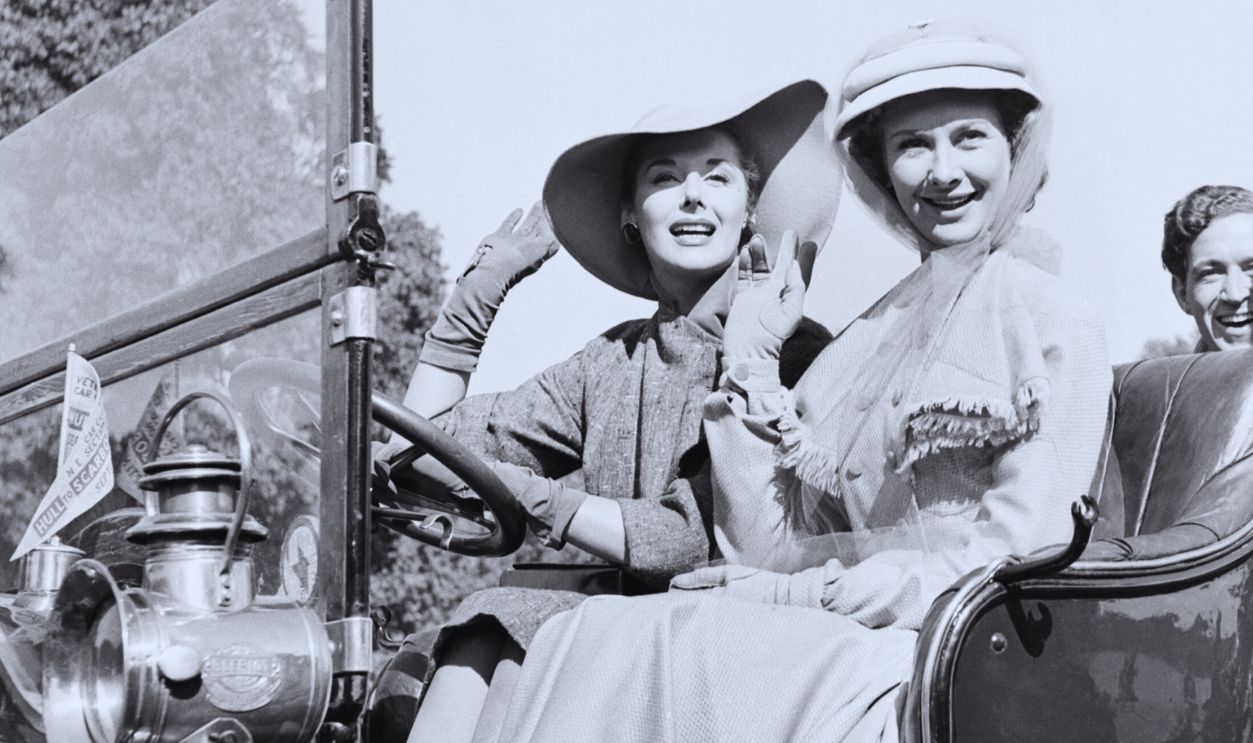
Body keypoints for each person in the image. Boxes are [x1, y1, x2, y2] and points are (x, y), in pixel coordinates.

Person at [477, 19, 1111, 742]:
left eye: (968, 137)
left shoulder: (1051, 316)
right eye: (911, 145)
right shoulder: (872, 333)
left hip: (959, 651)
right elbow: (765, 550)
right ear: (881, 168)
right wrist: (749, 358)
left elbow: (1019, 556)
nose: (941, 171)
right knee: (595, 630)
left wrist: (803, 590)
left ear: (1014, 148)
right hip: (849, 633)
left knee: (658, 641)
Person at [374, 80, 843, 743]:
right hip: (630, 635)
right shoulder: (611, 360)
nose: (690, 195)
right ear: (630, 214)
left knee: (518, 626)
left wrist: (539, 500)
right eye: (663, 177)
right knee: (474, 633)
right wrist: (471, 304)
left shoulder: (792, 354)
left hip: (749, 647)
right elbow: (419, 452)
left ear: (749, 210)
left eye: (716, 178)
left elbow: (686, 539)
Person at [1161, 184, 1253, 352]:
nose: (1235, 295)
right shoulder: (1168, 379)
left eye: (1251, 269)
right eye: (1210, 274)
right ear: (1182, 294)